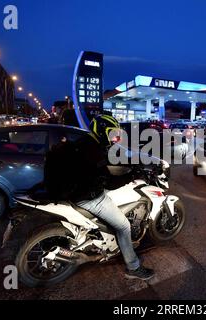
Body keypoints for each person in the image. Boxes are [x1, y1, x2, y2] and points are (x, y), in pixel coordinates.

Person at [61, 114, 155, 280]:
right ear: (103, 131)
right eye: (112, 133)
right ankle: (133, 267)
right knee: (124, 226)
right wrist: (131, 176)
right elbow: (109, 182)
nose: (114, 137)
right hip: (89, 197)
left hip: (73, 191)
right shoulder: (94, 150)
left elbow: (102, 169)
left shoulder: (85, 142)